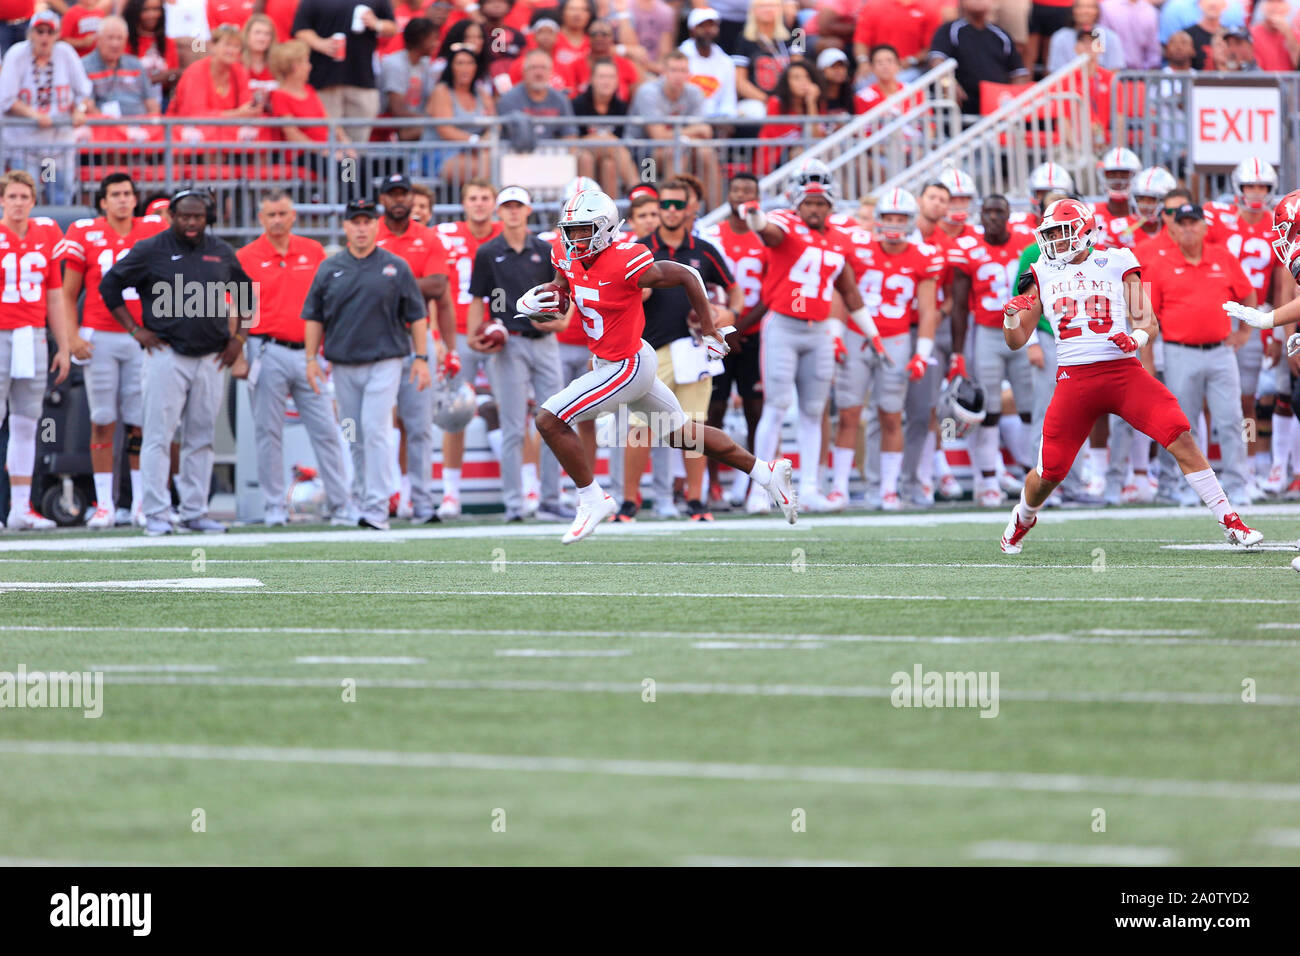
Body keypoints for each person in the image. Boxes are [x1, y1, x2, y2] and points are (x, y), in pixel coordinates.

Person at [523, 187, 798, 544]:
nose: (574, 238)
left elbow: (685, 274)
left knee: (549, 419)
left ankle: (592, 498)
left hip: (626, 364)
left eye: (583, 229)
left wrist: (710, 327)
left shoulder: (626, 259)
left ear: (605, 229)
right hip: (617, 360)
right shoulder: (564, 252)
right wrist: (546, 300)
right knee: (682, 434)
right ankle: (765, 471)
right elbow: (565, 289)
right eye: (570, 229)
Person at [1002, 198, 1261, 552]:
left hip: (1123, 373)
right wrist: (1010, 318)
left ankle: (1230, 520)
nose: (1056, 242)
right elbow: (1016, 342)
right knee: (1049, 474)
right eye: (1050, 235)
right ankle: (1024, 515)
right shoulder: (1040, 271)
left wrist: (1134, 339)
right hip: (1073, 381)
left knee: (1179, 433)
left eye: (1061, 233)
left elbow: (1148, 322)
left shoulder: (1118, 260)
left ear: (1083, 230)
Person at [740, 159, 891, 512]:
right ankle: (759, 489)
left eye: (821, 203)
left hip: (819, 330)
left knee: (812, 410)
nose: (814, 209)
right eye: (808, 202)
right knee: (775, 407)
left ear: (831, 204)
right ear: (795, 201)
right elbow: (767, 230)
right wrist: (753, 215)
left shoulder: (839, 238)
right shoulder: (786, 224)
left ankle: (809, 488)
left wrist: (873, 334)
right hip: (784, 326)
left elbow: (850, 293)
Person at [100, 188, 253, 535]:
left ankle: (194, 511)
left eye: (198, 216)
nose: (191, 222)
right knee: (158, 435)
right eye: (185, 215)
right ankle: (155, 514)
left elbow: (245, 292)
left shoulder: (221, 251)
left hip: (212, 357)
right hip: (165, 353)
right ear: (172, 216)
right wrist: (135, 330)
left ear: (209, 217)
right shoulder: (150, 249)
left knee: (201, 437)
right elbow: (110, 285)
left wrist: (239, 340)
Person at [301, 198, 431, 530]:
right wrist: (311, 359)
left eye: (367, 221)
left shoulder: (395, 266)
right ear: (345, 226)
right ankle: (361, 496)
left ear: (376, 225)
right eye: (355, 221)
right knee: (354, 433)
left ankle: (376, 505)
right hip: (343, 363)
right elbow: (313, 316)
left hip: (385, 360)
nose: (361, 227)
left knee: (375, 429)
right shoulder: (330, 268)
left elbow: (417, 315)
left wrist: (421, 357)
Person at [621, 179, 741, 522]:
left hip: (693, 349)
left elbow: (735, 293)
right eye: (666, 204)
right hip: (651, 347)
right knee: (640, 426)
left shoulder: (703, 250)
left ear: (690, 208)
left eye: (678, 204)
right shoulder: (639, 248)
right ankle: (630, 501)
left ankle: (695, 500)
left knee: (693, 424)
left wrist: (723, 315)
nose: (671, 211)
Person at [235, 189, 353, 527]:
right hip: (265, 348)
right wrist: (238, 352)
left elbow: (327, 303)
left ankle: (340, 502)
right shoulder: (247, 256)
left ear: (293, 216)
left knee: (327, 429)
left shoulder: (313, 251)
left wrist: (327, 349)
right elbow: (237, 308)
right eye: (270, 214)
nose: (276, 220)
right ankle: (275, 505)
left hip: (308, 352)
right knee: (267, 430)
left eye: (282, 213)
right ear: (261, 218)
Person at [55, 172, 166, 528]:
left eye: (128, 193)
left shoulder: (151, 231)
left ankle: (138, 503)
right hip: (100, 335)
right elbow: (68, 294)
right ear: (102, 201)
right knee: (102, 419)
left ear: (136, 199)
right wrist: (72, 337)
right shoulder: (85, 232)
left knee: (139, 421)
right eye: (115, 194)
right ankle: (104, 503)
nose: (122, 199)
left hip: (141, 337)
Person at [832, 188, 943, 511]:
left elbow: (927, 312)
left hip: (895, 339)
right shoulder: (859, 249)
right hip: (857, 335)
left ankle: (889, 490)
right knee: (850, 413)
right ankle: (839, 487)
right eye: (889, 218)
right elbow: (844, 294)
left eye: (900, 219)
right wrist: (836, 333)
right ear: (878, 219)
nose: (894, 224)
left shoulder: (922, 256)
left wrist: (922, 353)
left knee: (891, 416)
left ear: (910, 221)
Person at [466, 186, 572, 523]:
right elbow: (478, 298)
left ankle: (551, 499)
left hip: (544, 341)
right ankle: (514, 503)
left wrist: (559, 323)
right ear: (500, 212)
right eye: (507, 206)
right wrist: (472, 336)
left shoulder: (545, 249)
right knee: (513, 425)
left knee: (553, 420)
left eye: (518, 206)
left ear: (528, 210)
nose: (513, 212)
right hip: (508, 342)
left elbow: (564, 292)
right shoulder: (487, 252)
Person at [1144, 203, 1255, 506]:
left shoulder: (1222, 256)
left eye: (1195, 223)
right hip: (1180, 352)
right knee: (1183, 425)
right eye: (1184, 223)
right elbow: (1148, 316)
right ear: (1175, 229)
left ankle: (1238, 483)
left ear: (1205, 227)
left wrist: (1244, 332)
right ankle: (1189, 488)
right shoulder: (1160, 263)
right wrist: (1148, 363)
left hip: (1221, 351)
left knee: (1232, 418)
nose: (1190, 228)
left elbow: (1248, 294)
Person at [375, 173, 457, 522]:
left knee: (420, 425)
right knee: (373, 426)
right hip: (374, 339)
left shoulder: (428, 238)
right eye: (392, 194)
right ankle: (377, 499)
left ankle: (421, 501)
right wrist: (410, 287)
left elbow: (439, 287)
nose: (399, 200)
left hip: (416, 340)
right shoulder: (368, 232)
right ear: (382, 199)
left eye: (403, 194)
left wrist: (387, 284)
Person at [950, 193, 1035, 506]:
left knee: (1029, 408)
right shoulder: (968, 250)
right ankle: (986, 481)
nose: (994, 218)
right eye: (988, 212)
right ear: (980, 215)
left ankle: (1032, 477)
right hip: (987, 333)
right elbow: (959, 306)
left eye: (1000, 212)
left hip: (1023, 333)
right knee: (987, 412)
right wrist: (958, 353)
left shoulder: (1027, 245)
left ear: (1009, 214)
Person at [0, 170, 74, 531]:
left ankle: (20, 508)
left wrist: (63, 343)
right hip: (0, 334)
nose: (17, 203)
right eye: (11, 197)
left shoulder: (46, 234)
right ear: (2, 200)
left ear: (33, 200)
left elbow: (55, 295)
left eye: (23, 197)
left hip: (32, 336)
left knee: (27, 423)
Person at [1208, 159, 1284, 497]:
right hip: (1222, 316)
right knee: (1217, 401)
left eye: (1263, 187)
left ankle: (1249, 466)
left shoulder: (1277, 227)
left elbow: (1279, 283)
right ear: (1239, 189)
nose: (1256, 193)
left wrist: (1269, 331)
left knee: (1247, 402)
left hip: (1257, 318)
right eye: (1251, 186)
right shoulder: (1219, 223)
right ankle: (1219, 468)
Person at [431, 179, 504, 519]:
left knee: (517, 413)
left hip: (500, 333)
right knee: (455, 414)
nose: (479, 203)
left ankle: (526, 490)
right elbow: (437, 288)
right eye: (473, 198)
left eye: (485, 198)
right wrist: (438, 336)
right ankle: (450, 494)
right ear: (463, 203)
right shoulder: (445, 236)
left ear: (494, 203)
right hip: (459, 332)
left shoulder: (509, 232)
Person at [701, 172, 766, 511]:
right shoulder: (712, 236)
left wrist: (741, 326)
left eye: (749, 191)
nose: (742, 195)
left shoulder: (766, 235)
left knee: (757, 409)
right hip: (717, 333)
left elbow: (771, 291)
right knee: (715, 408)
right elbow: (705, 286)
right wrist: (725, 325)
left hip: (755, 334)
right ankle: (712, 484)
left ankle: (752, 483)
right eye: (737, 190)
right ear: (728, 195)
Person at [0, 12, 93, 206]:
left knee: (57, 196)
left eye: (50, 32)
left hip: (53, 150)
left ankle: (55, 232)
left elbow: (83, 91)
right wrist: (34, 115)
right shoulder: (17, 54)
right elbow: (6, 98)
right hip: (24, 147)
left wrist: (80, 109)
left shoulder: (65, 53)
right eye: (40, 32)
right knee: (25, 195)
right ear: (30, 33)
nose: (45, 37)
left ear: (57, 35)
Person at [293, 0, 396, 145]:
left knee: (356, 146)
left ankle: (351, 169)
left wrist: (376, 23)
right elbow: (301, 29)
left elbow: (392, 27)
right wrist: (320, 44)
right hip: (324, 82)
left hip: (362, 81)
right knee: (328, 142)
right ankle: (334, 168)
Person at [629, 50, 720, 211]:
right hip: (643, 155)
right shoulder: (648, 92)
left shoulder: (694, 92)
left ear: (689, 74)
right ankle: (672, 213)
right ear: (663, 72)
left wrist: (689, 133)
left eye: (683, 70)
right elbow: (658, 136)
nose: (678, 75)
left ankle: (715, 215)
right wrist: (693, 131)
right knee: (676, 151)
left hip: (678, 147)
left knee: (706, 152)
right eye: (673, 70)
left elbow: (705, 133)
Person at [929, 0, 1030, 113]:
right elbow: (937, 61)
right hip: (961, 107)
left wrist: (1013, 98)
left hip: (997, 107)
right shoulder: (949, 30)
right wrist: (948, 83)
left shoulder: (1001, 35)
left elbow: (1018, 73)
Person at [426, 44, 494, 185]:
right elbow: (445, 130)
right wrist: (476, 141)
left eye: (470, 63)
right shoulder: (442, 91)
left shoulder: (482, 93)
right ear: (451, 67)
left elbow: (495, 125)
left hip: (477, 153)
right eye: (460, 63)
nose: (465, 68)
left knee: (497, 161)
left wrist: (487, 139)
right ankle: (482, 200)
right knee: (484, 167)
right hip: (441, 153)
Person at [571, 58, 638, 196]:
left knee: (609, 164)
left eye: (611, 77)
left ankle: (610, 211)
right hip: (581, 154)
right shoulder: (577, 104)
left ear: (617, 81)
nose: (606, 81)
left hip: (610, 158)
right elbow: (572, 141)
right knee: (587, 157)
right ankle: (637, 190)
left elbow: (626, 138)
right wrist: (605, 139)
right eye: (602, 77)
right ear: (591, 80)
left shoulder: (621, 107)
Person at [497, 48, 579, 147]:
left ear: (550, 72)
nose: (538, 73)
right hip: (517, 155)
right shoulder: (509, 99)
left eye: (543, 68)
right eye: (533, 68)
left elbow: (570, 135)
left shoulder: (560, 100)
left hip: (552, 155)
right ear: (524, 72)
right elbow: (503, 134)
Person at [83, 15, 159, 116]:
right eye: (110, 38)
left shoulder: (135, 65)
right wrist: (118, 128)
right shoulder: (84, 66)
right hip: (104, 126)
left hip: (140, 125)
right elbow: (88, 106)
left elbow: (152, 103)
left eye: (120, 38)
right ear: (98, 39)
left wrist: (152, 124)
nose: (115, 44)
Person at [380, 15, 439, 140]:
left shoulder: (426, 64)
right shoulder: (394, 63)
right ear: (421, 39)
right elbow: (397, 110)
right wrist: (432, 121)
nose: (436, 44)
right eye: (433, 39)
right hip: (390, 131)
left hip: (416, 126)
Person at [854, 0, 942, 84]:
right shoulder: (873, 6)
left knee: (900, 81)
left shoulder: (928, 10)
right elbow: (861, 40)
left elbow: (930, 48)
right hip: (877, 67)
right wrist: (863, 62)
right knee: (861, 83)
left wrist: (911, 60)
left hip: (910, 68)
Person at [679, 8, 736, 117]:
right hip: (686, 119)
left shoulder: (726, 61)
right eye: (702, 26)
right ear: (692, 31)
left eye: (712, 26)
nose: (708, 31)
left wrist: (726, 119)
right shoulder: (680, 58)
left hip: (717, 120)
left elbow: (728, 100)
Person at [1046, 0, 1126, 71]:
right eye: (1080, 7)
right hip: (1069, 86)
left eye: (1090, 7)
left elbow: (1114, 73)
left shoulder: (1111, 37)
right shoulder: (1060, 37)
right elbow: (1055, 73)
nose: (1085, 11)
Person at [1100, 0, 1161, 69]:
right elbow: (1103, 41)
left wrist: (1151, 70)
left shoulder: (1150, 11)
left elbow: (1153, 47)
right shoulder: (1107, 7)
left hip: (1142, 72)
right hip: (1113, 70)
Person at [1251, 0, 1300, 70]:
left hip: (1287, 80)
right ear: (1262, 6)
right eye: (1270, 2)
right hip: (1263, 80)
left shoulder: (1295, 35)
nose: (1275, 6)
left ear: (1287, 7)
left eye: (1279, 2)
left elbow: (1297, 64)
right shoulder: (1251, 34)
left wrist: (1288, 34)